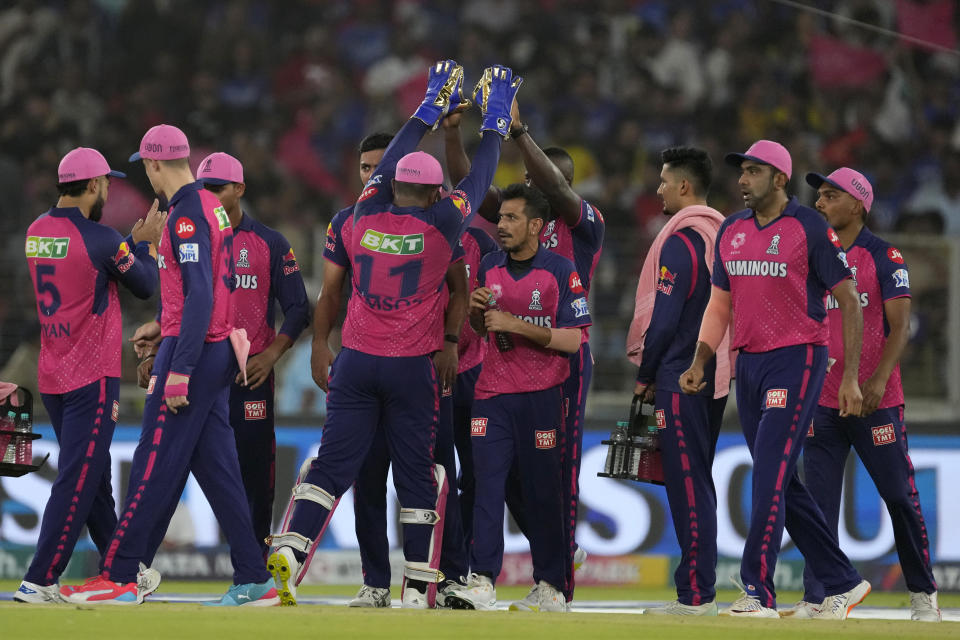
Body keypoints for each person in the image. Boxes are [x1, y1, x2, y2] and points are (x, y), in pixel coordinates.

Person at [268, 61, 518, 609]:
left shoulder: (359, 215)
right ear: (433, 194)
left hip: (355, 359)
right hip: (411, 366)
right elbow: (478, 178)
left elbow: (403, 145)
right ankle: (418, 586)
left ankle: (293, 542)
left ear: (391, 182)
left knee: (335, 464)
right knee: (416, 475)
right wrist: (495, 117)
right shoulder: (443, 223)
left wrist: (432, 103)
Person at [62, 125, 279, 607]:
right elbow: (205, 288)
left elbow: (201, 291)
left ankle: (118, 576)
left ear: (154, 164)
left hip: (195, 353)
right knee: (219, 469)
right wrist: (162, 324)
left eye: (146, 167)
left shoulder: (184, 215)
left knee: (152, 462)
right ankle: (254, 576)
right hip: (211, 345)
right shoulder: (210, 208)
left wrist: (178, 365)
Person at [680, 140, 871, 619]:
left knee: (768, 473)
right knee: (781, 480)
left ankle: (757, 591)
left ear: (780, 179)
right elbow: (719, 303)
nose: (742, 180)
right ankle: (842, 580)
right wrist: (701, 360)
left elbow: (848, 299)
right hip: (748, 364)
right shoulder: (732, 229)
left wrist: (849, 379)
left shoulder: (808, 226)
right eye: (741, 171)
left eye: (753, 171)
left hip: (797, 357)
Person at [444, 100, 603, 607]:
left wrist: (516, 132)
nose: (539, 186)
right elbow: (472, 190)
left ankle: (557, 580)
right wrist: (453, 136)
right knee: (492, 478)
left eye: (551, 179)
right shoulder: (505, 240)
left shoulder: (581, 223)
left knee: (553, 477)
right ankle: (496, 575)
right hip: (497, 379)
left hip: (561, 370)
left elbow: (553, 188)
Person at [312, 132, 469, 608]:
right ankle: (376, 581)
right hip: (371, 361)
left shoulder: (436, 227)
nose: (373, 176)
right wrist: (321, 343)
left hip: (420, 362)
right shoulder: (347, 222)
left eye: (381, 168)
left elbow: (459, 290)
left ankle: (447, 577)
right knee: (367, 478)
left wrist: (448, 341)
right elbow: (331, 292)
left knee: (435, 471)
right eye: (366, 169)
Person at [786, 168, 940, 622]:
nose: (819, 202)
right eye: (819, 195)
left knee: (898, 496)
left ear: (858, 205)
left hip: (876, 403)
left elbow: (901, 327)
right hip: (822, 400)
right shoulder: (815, 255)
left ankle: (922, 592)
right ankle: (820, 596)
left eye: (830, 196)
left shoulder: (883, 255)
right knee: (818, 506)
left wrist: (877, 381)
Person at [15, 148, 164, 604]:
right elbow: (144, 284)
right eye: (107, 185)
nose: (108, 192)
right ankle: (40, 578)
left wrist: (128, 248)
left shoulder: (36, 231)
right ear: (95, 185)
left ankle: (124, 570)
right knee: (79, 478)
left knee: (94, 480)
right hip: (92, 377)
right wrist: (145, 244)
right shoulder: (101, 238)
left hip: (53, 374)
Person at [625, 147, 729, 616]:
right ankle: (698, 588)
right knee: (697, 482)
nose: (659, 189)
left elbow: (663, 322)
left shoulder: (680, 241)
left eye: (665, 182)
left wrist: (646, 376)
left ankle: (695, 596)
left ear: (685, 187)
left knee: (687, 485)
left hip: (676, 377)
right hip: (710, 376)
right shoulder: (721, 238)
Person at [198, 151, 310, 559]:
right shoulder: (192, 241)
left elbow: (299, 308)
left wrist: (271, 355)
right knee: (178, 467)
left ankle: (255, 565)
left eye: (218, 188)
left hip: (249, 380)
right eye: (204, 188)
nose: (209, 195)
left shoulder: (269, 243)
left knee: (255, 472)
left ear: (239, 189)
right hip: (200, 377)